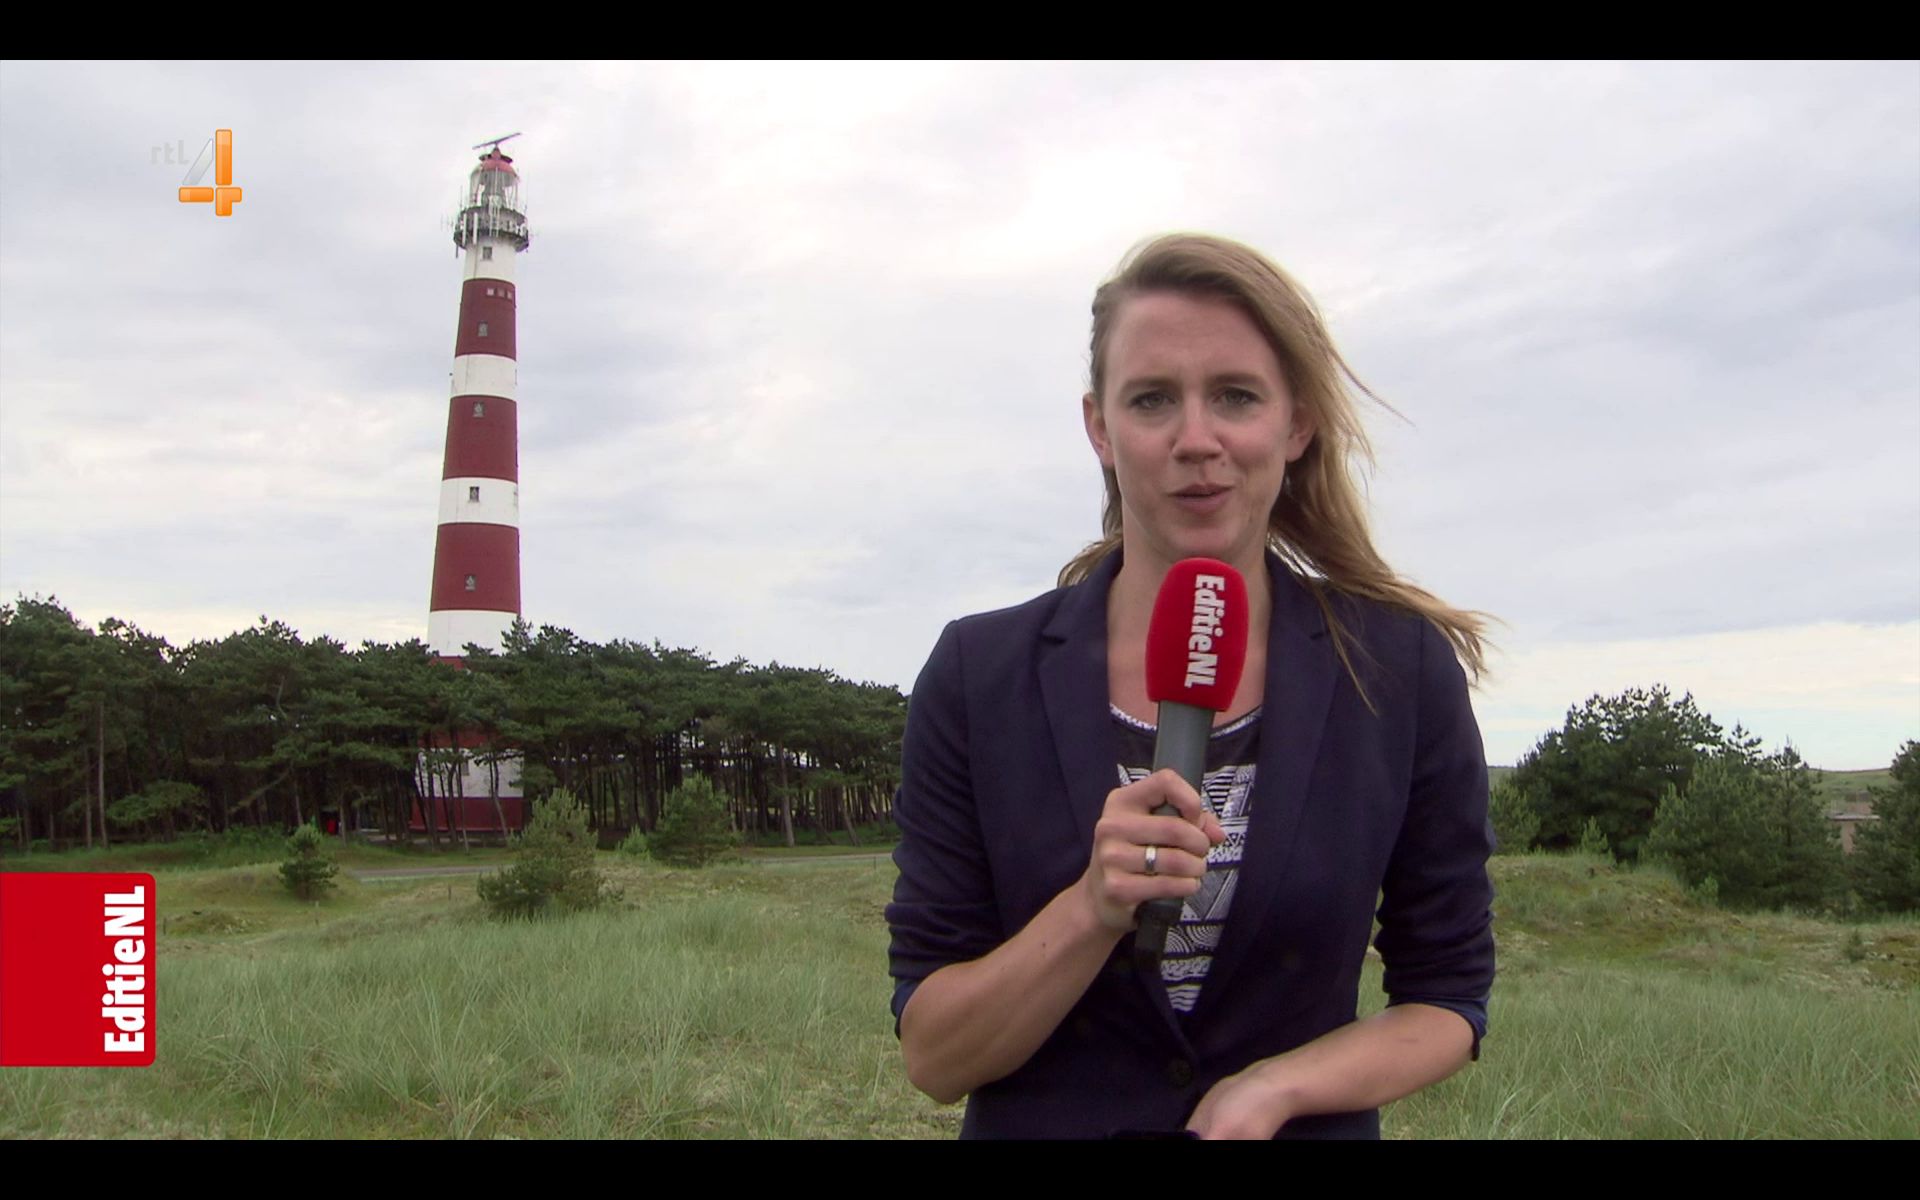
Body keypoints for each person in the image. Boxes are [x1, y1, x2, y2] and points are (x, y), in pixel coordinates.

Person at [885, 233, 1496, 1140]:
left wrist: (1275, 1090)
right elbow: (936, 1058)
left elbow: (1448, 998)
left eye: (1236, 396)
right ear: (1100, 427)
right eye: (1152, 400)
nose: (1196, 440)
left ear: (1295, 424)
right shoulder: (980, 675)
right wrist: (1092, 909)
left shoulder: (1397, 671)